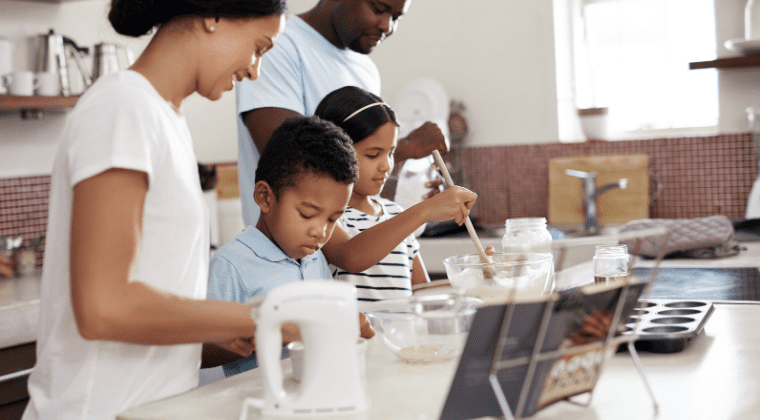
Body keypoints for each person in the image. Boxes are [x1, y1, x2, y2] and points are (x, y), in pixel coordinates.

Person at [23, 1, 287, 419]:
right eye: (258, 47)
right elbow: (104, 307)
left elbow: (153, 301)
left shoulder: (165, 119)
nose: (254, 70)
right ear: (213, 16)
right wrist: (262, 316)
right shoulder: (122, 106)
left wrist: (231, 326)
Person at [235, 0, 448, 227]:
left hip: (348, 255)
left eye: (396, 17)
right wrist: (405, 148)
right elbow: (288, 162)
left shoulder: (366, 71)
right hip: (287, 258)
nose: (387, 27)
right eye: (379, 9)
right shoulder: (278, 44)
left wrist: (410, 193)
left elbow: (358, 192)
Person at [206, 116, 375, 376]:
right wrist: (272, 331)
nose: (320, 231)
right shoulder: (232, 265)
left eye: (333, 219)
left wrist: (344, 321)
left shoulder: (312, 257)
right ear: (265, 197)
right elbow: (201, 350)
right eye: (307, 214)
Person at [314, 86, 429, 300]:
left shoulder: (396, 214)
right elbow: (350, 256)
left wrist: (474, 279)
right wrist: (426, 210)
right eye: (373, 154)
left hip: (402, 334)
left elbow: (423, 292)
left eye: (391, 152)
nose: (386, 166)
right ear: (334, 150)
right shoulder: (325, 216)